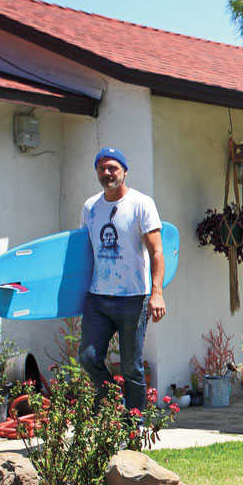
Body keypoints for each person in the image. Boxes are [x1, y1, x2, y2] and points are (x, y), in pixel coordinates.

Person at [77, 147, 167, 410]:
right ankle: (112, 402)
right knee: (88, 357)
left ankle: (134, 424)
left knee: (132, 368)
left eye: (112, 168)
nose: (107, 173)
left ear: (124, 172)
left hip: (133, 299)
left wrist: (157, 292)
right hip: (98, 297)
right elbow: (83, 253)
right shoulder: (90, 207)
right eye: (102, 168)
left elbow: (157, 251)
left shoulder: (141, 204)